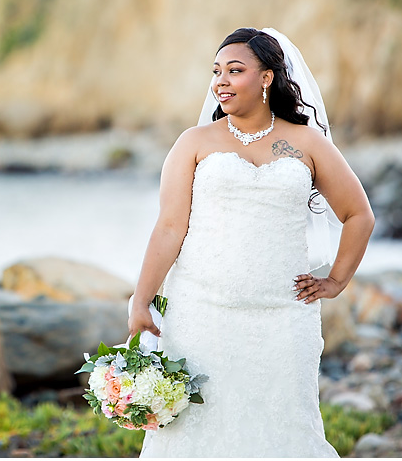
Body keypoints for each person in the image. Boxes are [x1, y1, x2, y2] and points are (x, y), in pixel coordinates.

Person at [128, 27, 375, 457]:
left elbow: (359, 215)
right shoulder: (194, 143)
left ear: (266, 78)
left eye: (235, 70)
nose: (220, 81)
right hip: (202, 316)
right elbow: (169, 227)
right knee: (196, 433)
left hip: (283, 318)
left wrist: (335, 281)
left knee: (284, 429)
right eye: (217, 71)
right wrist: (140, 299)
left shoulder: (305, 142)